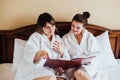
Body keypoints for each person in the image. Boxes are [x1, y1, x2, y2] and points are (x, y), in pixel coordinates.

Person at [14, 13, 70, 80]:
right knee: (51, 78)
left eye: (53, 26)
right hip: (34, 68)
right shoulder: (35, 37)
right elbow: (28, 53)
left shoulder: (58, 39)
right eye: (48, 27)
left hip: (52, 71)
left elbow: (66, 61)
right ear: (41, 27)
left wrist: (61, 51)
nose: (51, 29)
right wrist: (38, 54)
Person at [62, 12, 102, 80]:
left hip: (88, 66)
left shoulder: (89, 37)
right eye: (73, 26)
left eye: (78, 28)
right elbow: (64, 56)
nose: (74, 29)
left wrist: (88, 61)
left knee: (79, 73)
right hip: (72, 67)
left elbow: (97, 54)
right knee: (76, 73)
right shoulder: (65, 38)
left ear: (83, 27)